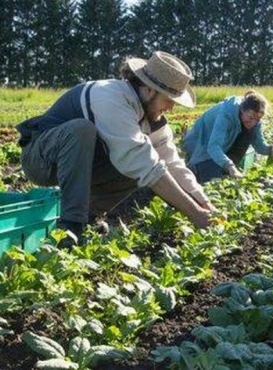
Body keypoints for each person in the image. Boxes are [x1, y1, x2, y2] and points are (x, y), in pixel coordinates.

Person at [17, 51, 214, 245]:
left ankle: (88, 215)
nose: (171, 108)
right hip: (41, 159)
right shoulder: (110, 96)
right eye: (169, 100)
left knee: (139, 163)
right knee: (83, 131)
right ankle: (70, 226)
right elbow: (144, 163)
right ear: (149, 89)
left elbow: (171, 163)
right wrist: (194, 214)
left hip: (81, 164)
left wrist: (202, 202)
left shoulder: (152, 117)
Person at [182, 91, 273, 183]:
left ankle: (225, 171)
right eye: (251, 118)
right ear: (242, 110)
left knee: (248, 134)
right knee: (210, 176)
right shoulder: (226, 114)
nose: (253, 123)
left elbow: (259, 145)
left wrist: (271, 150)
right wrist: (229, 166)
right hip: (201, 145)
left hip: (221, 146)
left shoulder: (254, 122)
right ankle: (196, 169)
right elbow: (213, 147)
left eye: (257, 119)